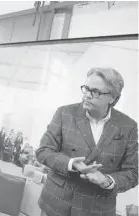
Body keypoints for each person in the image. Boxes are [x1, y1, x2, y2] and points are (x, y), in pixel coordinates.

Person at [36, 68, 138, 216]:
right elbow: (43, 151)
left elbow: (134, 172)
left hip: (97, 209)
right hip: (57, 204)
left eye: (95, 92)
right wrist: (71, 164)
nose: (86, 96)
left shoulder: (128, 126)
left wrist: (108, 180)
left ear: (113, 98)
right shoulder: (64, 113)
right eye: (86, 89)